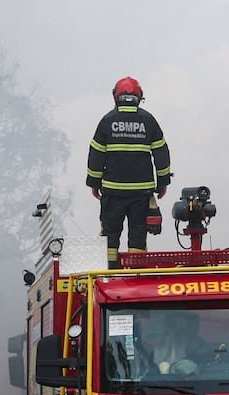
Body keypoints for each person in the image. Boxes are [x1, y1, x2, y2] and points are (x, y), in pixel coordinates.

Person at [87, 76, 172, 269]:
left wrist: (94, 182)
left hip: (112, 192)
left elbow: (96, 154)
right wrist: (163, 182)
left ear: (116, 97)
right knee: (138, 235)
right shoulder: (149, 121)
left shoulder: (107, 121)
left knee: (110, 234)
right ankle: (137, 274)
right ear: (139, 97)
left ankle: (109, 273)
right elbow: (161, 153)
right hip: (141, 194)